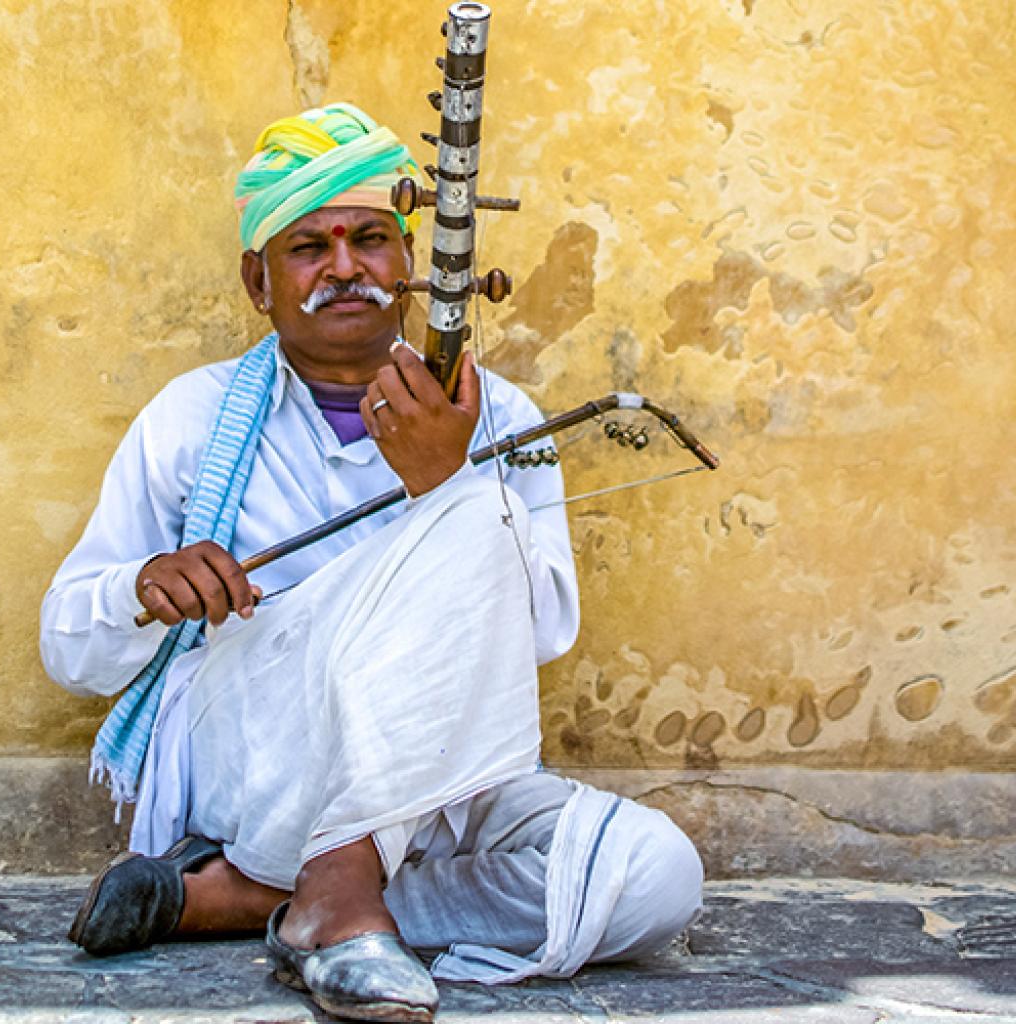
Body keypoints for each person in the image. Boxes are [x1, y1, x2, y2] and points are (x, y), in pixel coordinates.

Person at [39, 102, 701, 1023]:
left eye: (370, 239)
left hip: (446, 766)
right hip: (263, 760)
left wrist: (447, 481)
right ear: (256, 281)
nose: (345, 267)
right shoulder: (189, 419)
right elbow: (70, 649)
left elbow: (542, 635)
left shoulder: (498, 413)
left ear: (408, 264)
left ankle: (269, 900)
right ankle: (336, 894)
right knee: (437, 548)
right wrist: (142, 587)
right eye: (309, 247)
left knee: (655, 877)